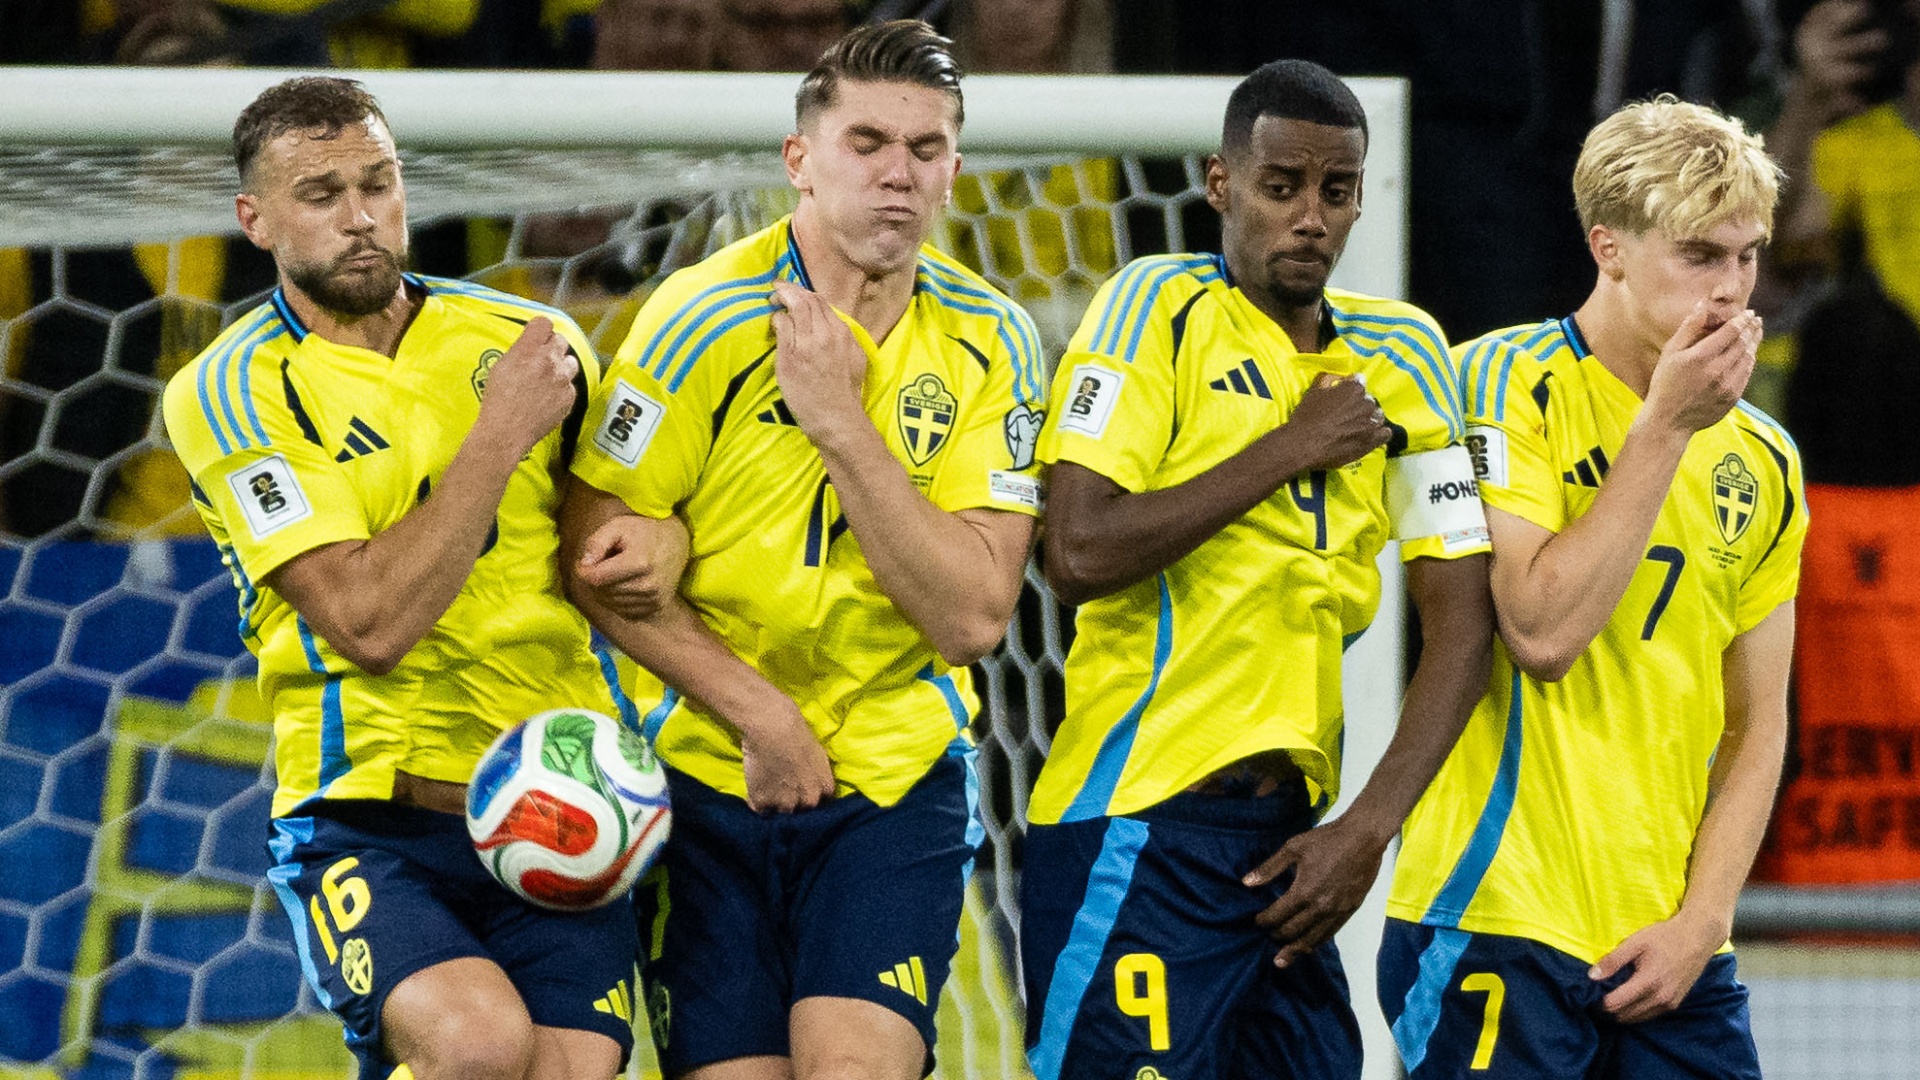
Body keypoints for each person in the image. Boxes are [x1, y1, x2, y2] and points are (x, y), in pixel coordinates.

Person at [559, 20, 1043, 1080]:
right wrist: (761, 715)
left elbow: (971, 615)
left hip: (892, 774)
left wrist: (840, 421)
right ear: (800, 161)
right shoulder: (698, 319)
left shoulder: (993, 339)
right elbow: (590, 556)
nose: (898, 175)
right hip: (705, 770)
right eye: (867, 143)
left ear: (954, 169)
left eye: (926, 150)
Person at [1018, 59, 1496, 1080]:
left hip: (1291, 849)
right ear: (1222, 184)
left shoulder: (1408, 353)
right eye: (1282, 187)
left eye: (1336, 189)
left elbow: (1463, 627)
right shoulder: (1154, 309)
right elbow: (1077, 550)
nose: (1310, 217)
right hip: (1137, 830)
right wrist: (1290, 445)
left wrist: (1367, 830)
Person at [160, 76, 641, 1080]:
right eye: (321, 194)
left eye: (378, 183)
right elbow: (366, 621)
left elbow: (620, 542)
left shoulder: (528, 344)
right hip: (370, 819)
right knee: (475, 1047)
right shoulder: (233, 390)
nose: (362, 217)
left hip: (564, 798)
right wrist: (499, 436)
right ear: (255, 219)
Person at [1381, 96, 1803, 1078]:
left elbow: (1758, 724)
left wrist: (1703, 923)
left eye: (1747, 256)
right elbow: (1539, 628)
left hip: (1670, 948)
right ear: (1607, 247)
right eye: (1700, 256)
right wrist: (1663, 429)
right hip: (1495, 913)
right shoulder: (1495, 383)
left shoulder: (1767, 458)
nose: (1732, 290)